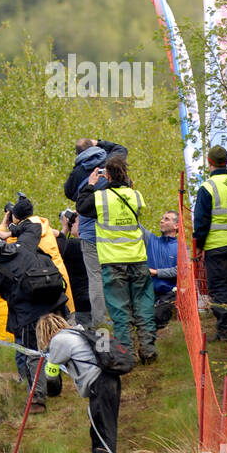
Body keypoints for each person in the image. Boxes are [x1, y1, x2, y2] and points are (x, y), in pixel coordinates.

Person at [76, 153, 157, 363]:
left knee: (120, 310)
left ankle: (126, 354)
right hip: (138, 258)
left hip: (113, 262)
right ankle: (148, 350)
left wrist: (91, 184)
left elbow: (82, 207)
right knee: (143, 305)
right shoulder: (136, 196)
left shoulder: (101, 198)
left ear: (107, 176)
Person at [0, 225, 69, 413]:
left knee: (33, 355)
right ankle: (57, 381)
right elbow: (35, 226)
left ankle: (37, 400)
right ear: (2, 242)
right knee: (60, 345)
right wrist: (12, 232)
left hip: (30, 316)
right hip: (56, 304)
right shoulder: (25, 244)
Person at [37, 312, 123, 453]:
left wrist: (51, 391)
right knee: (98, 428)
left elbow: (52, 377)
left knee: (104, 430)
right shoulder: (77, 331)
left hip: (100, 384)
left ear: (44, 332)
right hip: (110, 380)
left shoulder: (58, 340)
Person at [64, 137, 127, 329]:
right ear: (94, 147)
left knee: (95, 278)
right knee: (119, 273)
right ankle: (123, 318)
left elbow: (69, 193)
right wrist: (99, 141)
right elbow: (121, 147)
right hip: (115, 228)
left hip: (90, 232)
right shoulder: (111, 160)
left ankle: (100, 322)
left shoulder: (76, 174)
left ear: (77, 154)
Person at [0, 195, 76, 319]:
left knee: (49, 324)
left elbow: (0, 243)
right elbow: (60, 235)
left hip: (43, 282)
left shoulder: (21, 235)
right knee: (68, 319)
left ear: (16, 217)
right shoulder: (45, 226)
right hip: (60, 277)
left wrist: (4, 223)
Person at [193, 145, 227, 342]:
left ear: (209, 162)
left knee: (219, 288)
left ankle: (225, 330)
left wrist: (199, 245)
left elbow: (202, 221)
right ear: (226, 162)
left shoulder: (207, 187)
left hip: (216, 247)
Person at [141, 211, 179, 329]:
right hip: (147, 293)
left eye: (167, 219)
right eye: (162, 218)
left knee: (157, 318)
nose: (162, 221)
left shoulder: (181, 247)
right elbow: (135, 224)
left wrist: (156, 272)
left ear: (176, 226)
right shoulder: (151, 239)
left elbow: (181, 271)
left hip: (169, 294)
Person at [56, 210, 92, 326]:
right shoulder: (95, 244)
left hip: (79, 302)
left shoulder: (72, 245)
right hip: (96, 298)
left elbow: (55, 249)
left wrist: (65, 227)